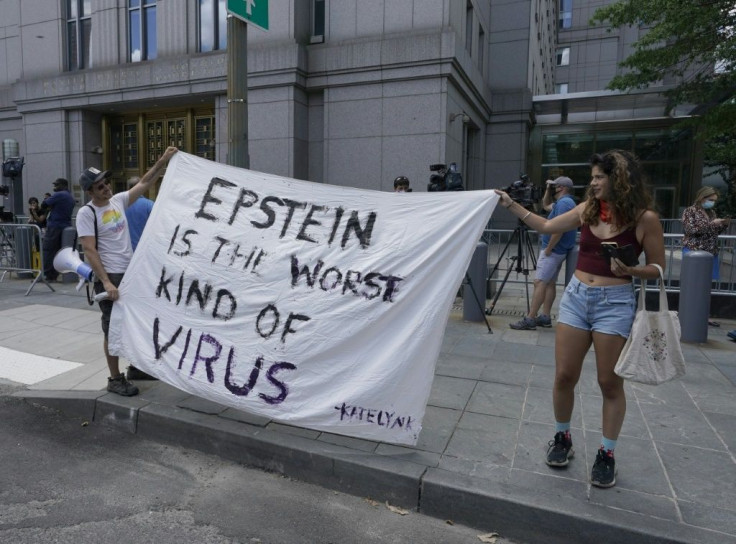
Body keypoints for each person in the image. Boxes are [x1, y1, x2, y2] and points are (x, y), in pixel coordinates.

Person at [495, 150, 665, 488]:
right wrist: (510, 204)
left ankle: (607, 453)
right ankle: (562, 438)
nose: (594, 182)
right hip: (575, 298)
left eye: (601, 176)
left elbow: (658, 268)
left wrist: (631, 270)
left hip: (614, 303)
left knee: (609, 382)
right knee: (564, 375)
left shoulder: (645, 219)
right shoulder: (587, 210)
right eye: (594, 176)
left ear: (621, 179)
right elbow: (544, 224)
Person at [75, 146, 178, 396]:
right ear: (90, 191)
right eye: (99, 186)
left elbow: (144, 182)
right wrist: (106, 282)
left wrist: (163, 161)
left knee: (135, 324)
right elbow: (90, 250)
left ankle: (136, 368)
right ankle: (115, 378)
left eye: (106, 182)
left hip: (131, 274)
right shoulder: (86, 213)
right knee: (112, 329)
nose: (106, 187)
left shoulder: (118, 200)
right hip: (111, 277)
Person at [510, 176, 577, 330]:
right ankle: (545, 317)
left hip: (553, 251)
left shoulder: (564, 204)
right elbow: (546, 205)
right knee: (549, 283)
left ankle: (530, 318)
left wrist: (548, 249)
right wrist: (547, 189)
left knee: (539, 282)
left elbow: (558, 229)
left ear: (562, 188)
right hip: (557, 251)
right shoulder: (564, 203)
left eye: (555, 186)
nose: (553, 188)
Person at [681, 186, 731, 327]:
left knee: (706, 285)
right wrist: (711, 224)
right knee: (693, 283)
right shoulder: (690, 211)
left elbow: (712, 233)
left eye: (714, 200)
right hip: (694, 252)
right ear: (702, 197)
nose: (712, 203)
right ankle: (688, 312)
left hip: (710, 252)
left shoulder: (711, 212)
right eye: (710, 200)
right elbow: (691, 230)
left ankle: (703, 314)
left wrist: (722, 225)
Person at [41, 178, 75, 282]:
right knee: (59, 251)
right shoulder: (70, 196)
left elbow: (43, 205)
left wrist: (49, 203)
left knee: (48, 250)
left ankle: (49, 275)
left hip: (55, 226)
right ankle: (57, 274)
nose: (55, 187)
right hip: (65, 226)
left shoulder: (59, 195)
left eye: (57, 185)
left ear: (63, 185)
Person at [124, 176, 154, 251]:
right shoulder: (150, 205)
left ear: (128, 188)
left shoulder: (120, 205)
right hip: (144, 250)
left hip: (125, 251)